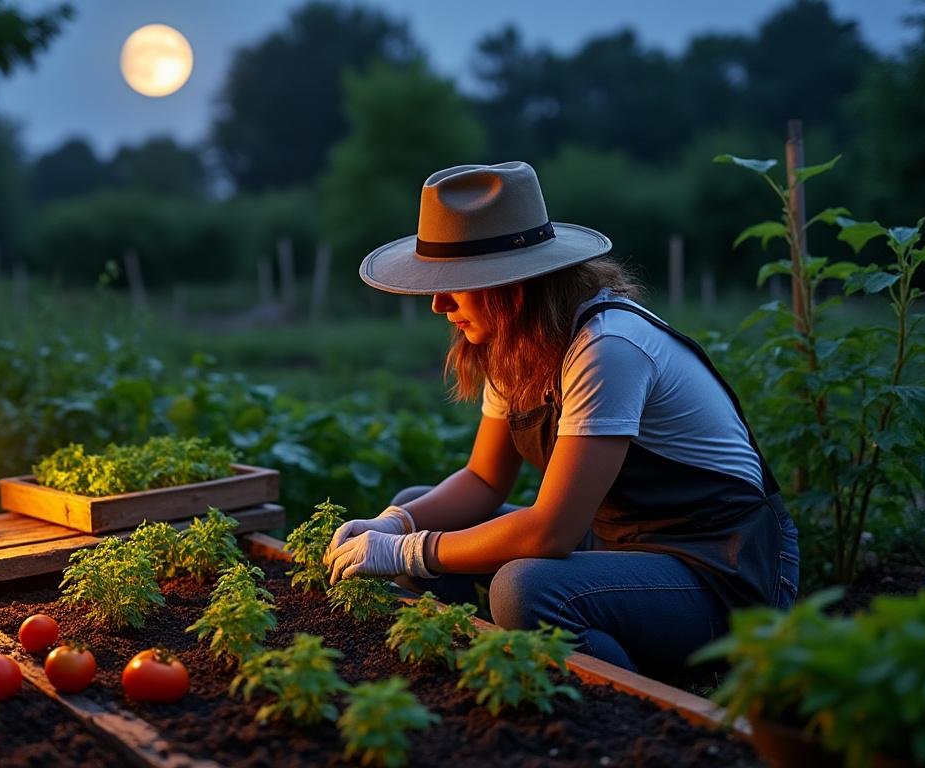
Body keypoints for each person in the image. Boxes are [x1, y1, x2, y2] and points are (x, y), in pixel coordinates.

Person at [323, 161, 800, 673]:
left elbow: (551, 532)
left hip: (720, 568)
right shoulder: (518, 348)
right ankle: (478, 673)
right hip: (621, 547)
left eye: (455, 284)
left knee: (524, 589)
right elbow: (484, 480)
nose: (439, 304)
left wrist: (408, 553)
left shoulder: (607, 347)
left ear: (511, 286)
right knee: (414, 504)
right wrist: (396, 526)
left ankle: (633, 713)